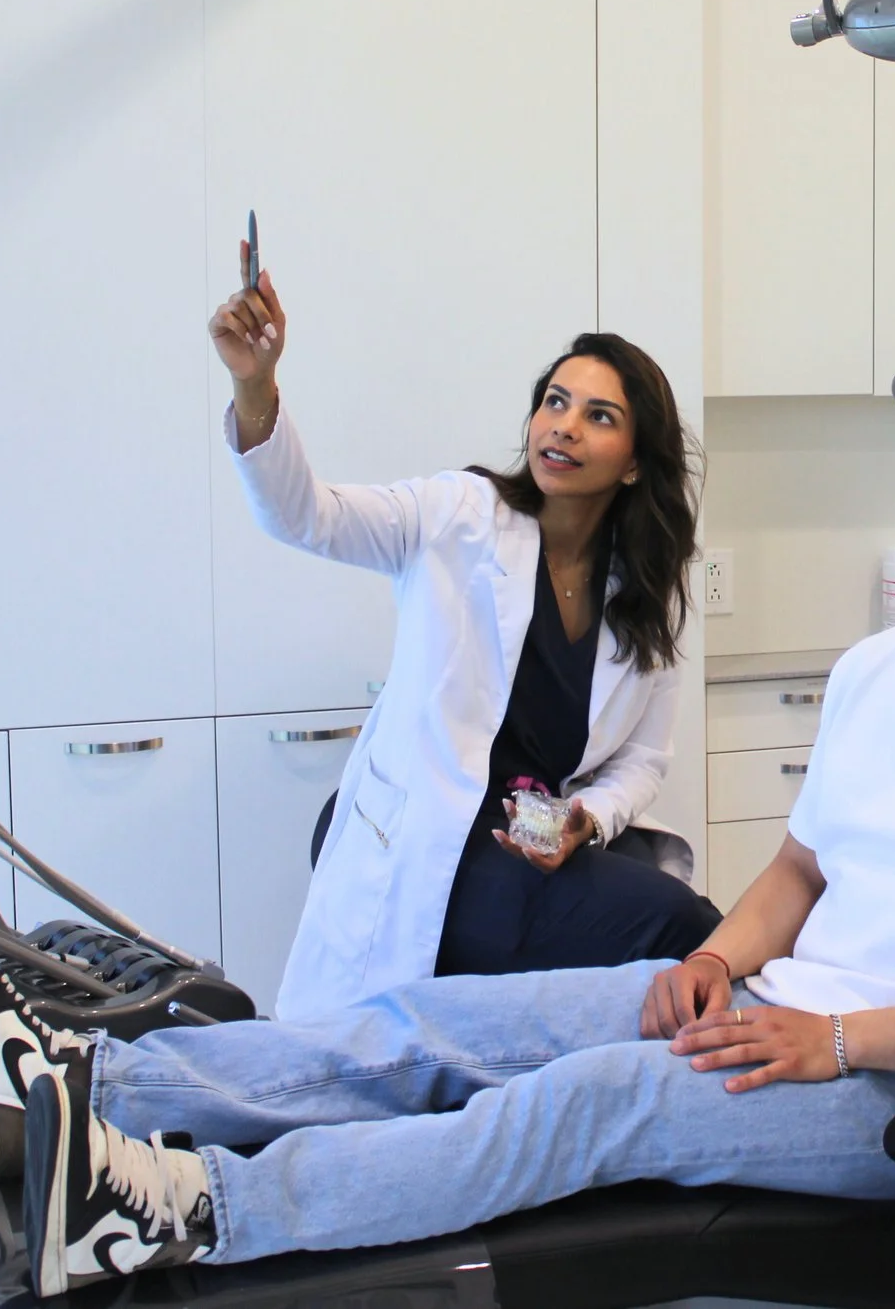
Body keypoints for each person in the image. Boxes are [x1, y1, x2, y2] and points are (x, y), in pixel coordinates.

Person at [0, 356, 895, 1297]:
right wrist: (716, 962)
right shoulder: (881, 667)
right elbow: (803, 864)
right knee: (433, 1024)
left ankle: (186, 1203)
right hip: (783, 1003)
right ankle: (84, 1085)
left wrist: (837, 1036)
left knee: (572, 1105)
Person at [207, 259, 719, 1020]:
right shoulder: (460, 516)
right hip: (425, 844)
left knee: (688, 932)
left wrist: (589, 818)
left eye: (600, 416)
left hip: (532, 845)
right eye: (556, 402)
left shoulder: (640, 589)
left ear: (637, 461)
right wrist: (257, 384)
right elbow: (304, 514)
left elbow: (643, 759)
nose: (565, 426)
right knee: (692, 929)